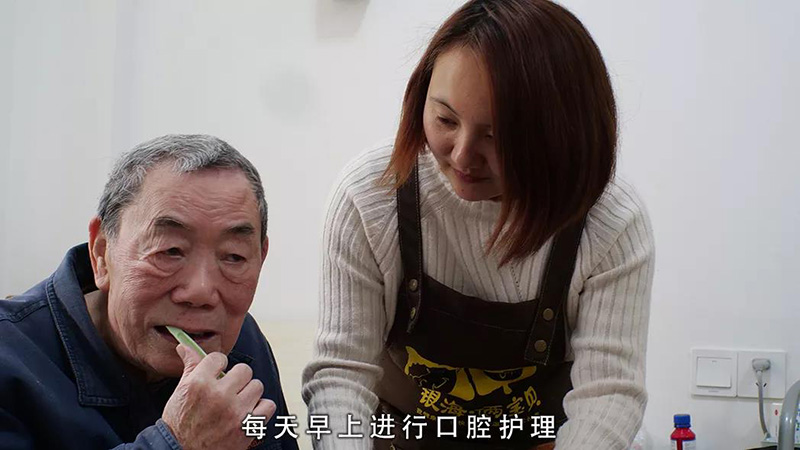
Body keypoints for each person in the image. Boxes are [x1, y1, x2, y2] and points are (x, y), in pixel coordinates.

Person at [302, 0, 654, 449]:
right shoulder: (371, 196)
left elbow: (607, 396)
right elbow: (341, 375)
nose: (463, 154)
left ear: (563, 134)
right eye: (445, 120)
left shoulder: (611, 221)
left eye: (496, 136)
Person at [0, 134, 299, 450]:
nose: (201, 292)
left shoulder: (241, 342)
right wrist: (179, 443)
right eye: (170, 251)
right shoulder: (11, 358)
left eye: (234, 256)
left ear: (261, 258)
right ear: (101, 253)